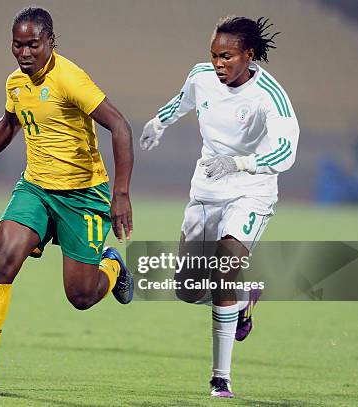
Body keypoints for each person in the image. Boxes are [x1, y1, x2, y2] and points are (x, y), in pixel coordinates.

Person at [0, 6, 134, 390]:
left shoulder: (70, 79)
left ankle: (112, 268)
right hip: (36, 188)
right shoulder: (16, 82)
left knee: (81, 296)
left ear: (50, 42)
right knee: (3, 260)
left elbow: (120, 125)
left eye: (33, 45)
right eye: (18, 45)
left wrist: (121, 193)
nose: (25, 53)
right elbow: (10, 123)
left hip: (82, 195)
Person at [140, 16, 299, 398]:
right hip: (206, 191)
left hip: (251, 190)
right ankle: (244, 297)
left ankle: (220, 379)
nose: (218, 63)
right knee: (189, 290)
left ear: (248, 54)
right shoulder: (201, 76)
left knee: (225, 265)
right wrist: (158, 123)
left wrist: (241, 163)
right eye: (214, 55)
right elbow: (183, 101)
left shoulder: (269, 96)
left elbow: (286, 151)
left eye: (226, 56)